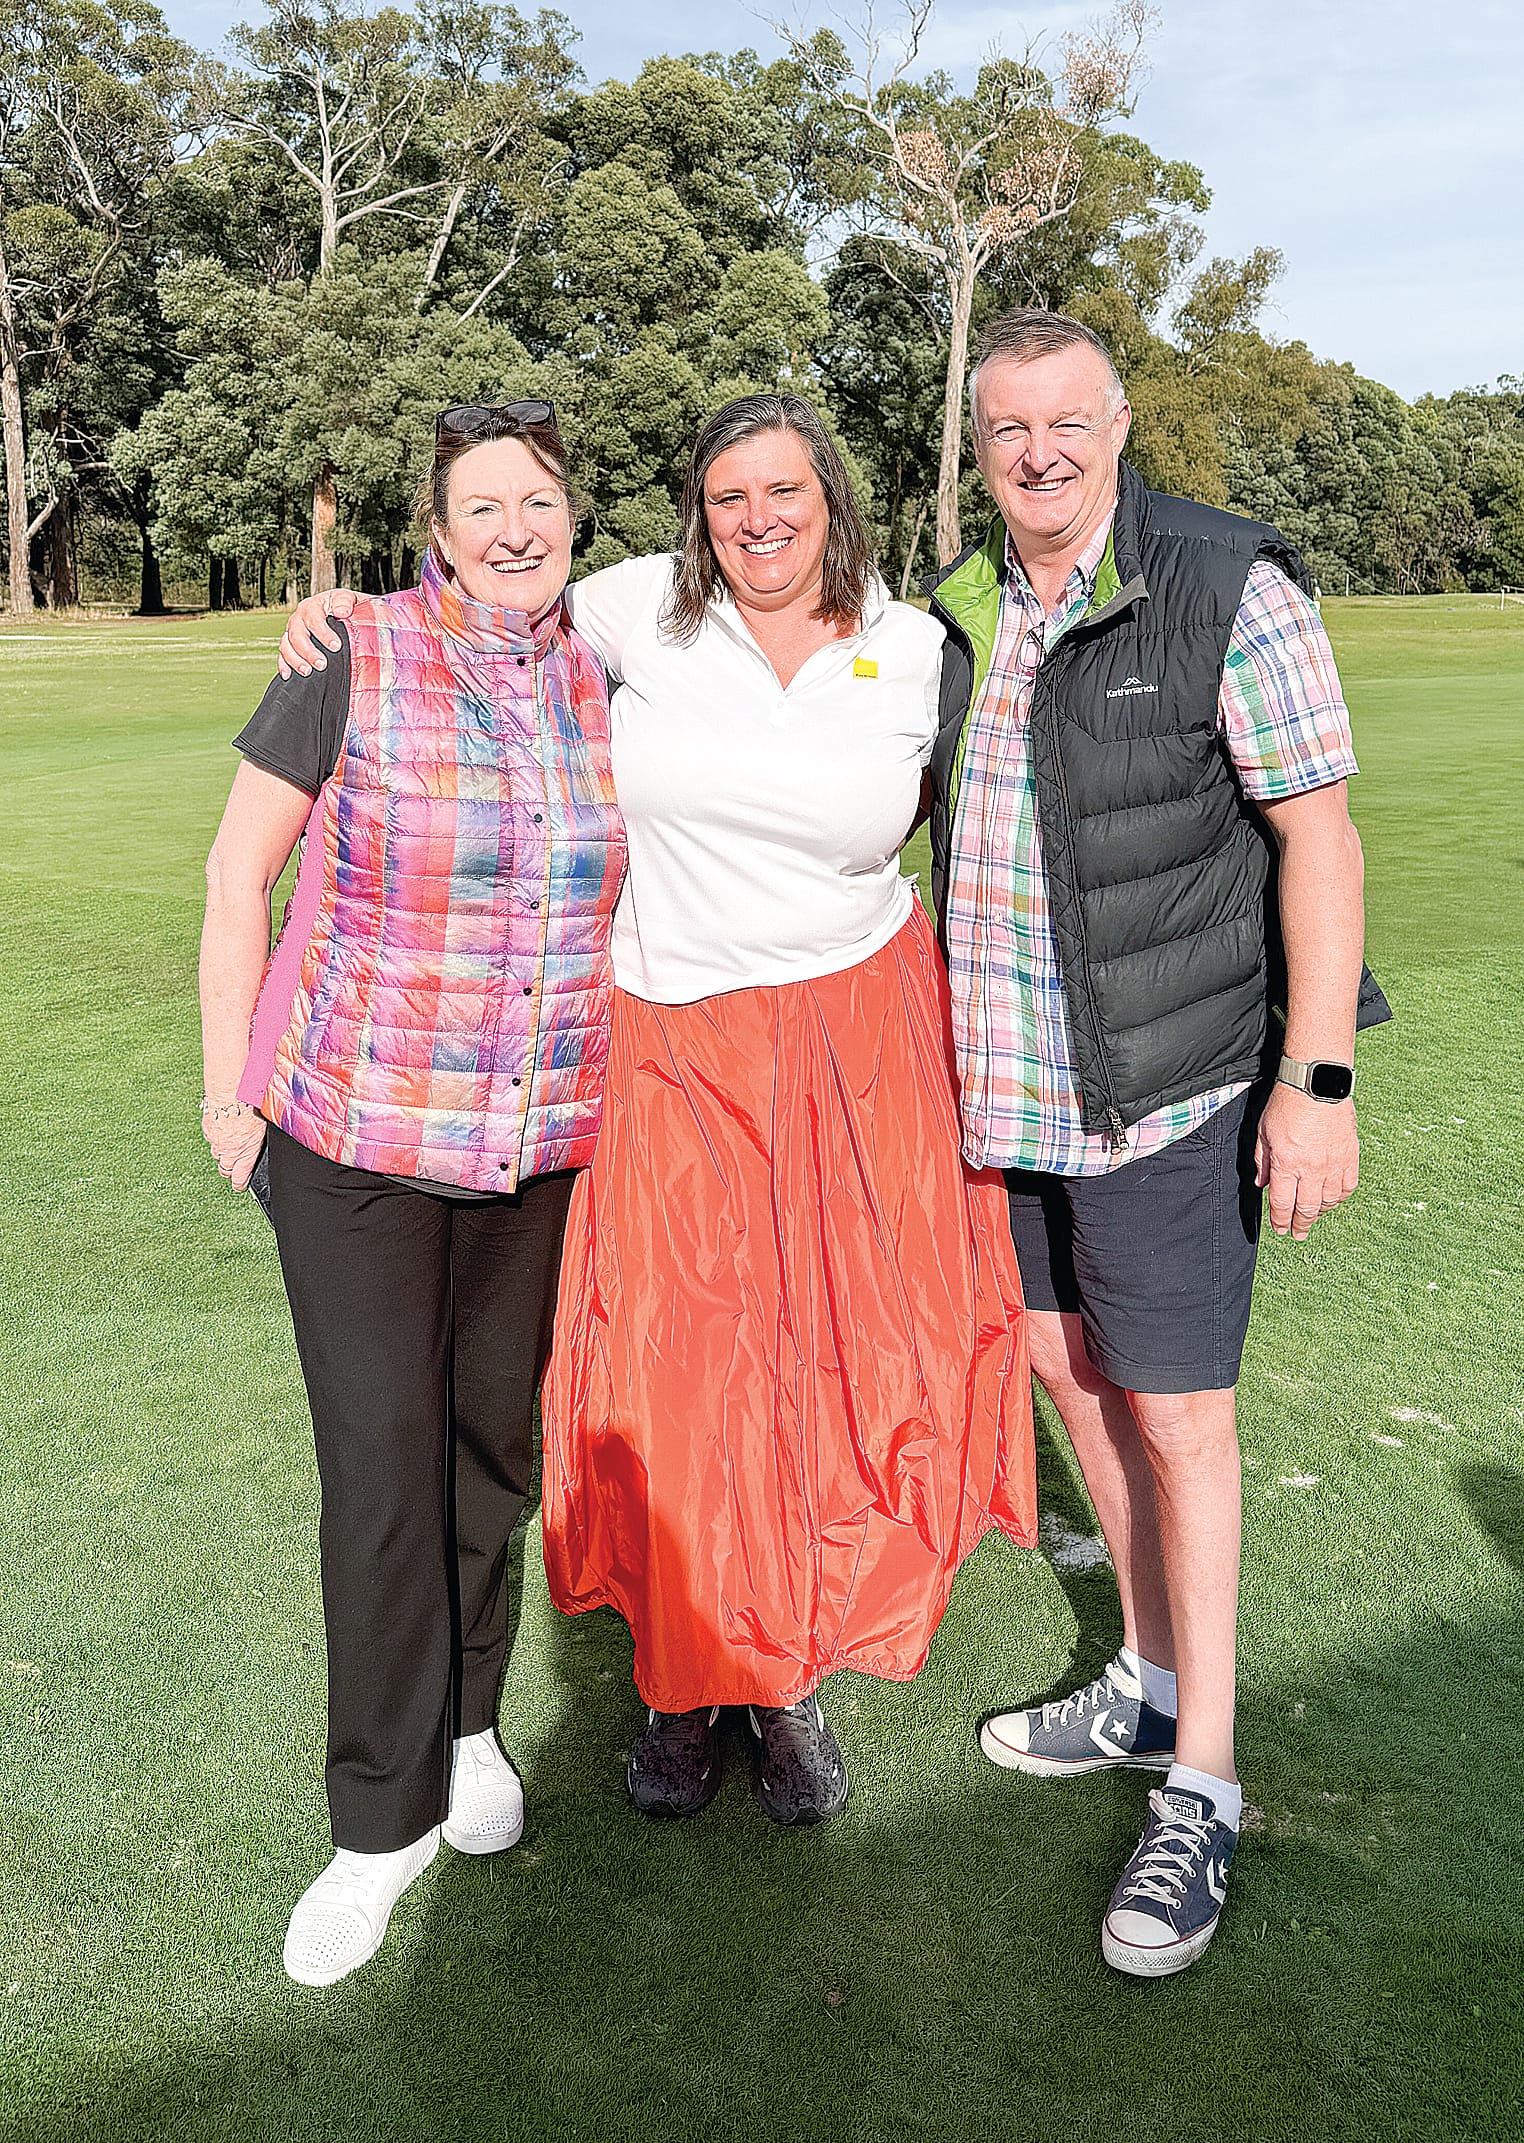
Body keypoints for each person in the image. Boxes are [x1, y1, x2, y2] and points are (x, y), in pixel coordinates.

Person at [280, 393, 1037, 1831]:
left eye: (785, 493)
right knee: (680, 1377)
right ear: (699, 514)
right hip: (673, 1049)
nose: (759, 520)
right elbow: (475, 603)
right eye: (730, 497)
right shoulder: (635, 609)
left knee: (821, 1374)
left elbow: (997, 813)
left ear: (834, 500)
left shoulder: (920, 644)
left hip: (849, 1050)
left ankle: (782, 1680)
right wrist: (333, 616)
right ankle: (681, 1689)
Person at [925, 309, 1387, 1976]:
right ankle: (1148, 1677)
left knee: (1181, 1418)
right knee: (1067, 1375)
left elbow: (1316, 838)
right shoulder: (970, 610)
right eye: (1005, 432)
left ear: (1120, 427)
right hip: (1012, 1102)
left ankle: (1204, 1785)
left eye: (1066, 423)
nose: (1037, 454)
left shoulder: (1222, 583)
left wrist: (1315, 1083)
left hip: (1172, 1090)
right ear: (979, 450)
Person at [199, 400, 626, 1986]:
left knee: (483, 1453)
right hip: (358, 1142)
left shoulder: (612, 665)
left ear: (574, 518)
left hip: (535, 1145)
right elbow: (242, 872)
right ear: (437, 533)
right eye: (480, 506)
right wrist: (225, 1083)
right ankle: (375, 1826)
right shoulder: (350, 652)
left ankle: (466, 1732)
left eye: (537, 499)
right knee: (383, 1470)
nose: (513, 527)